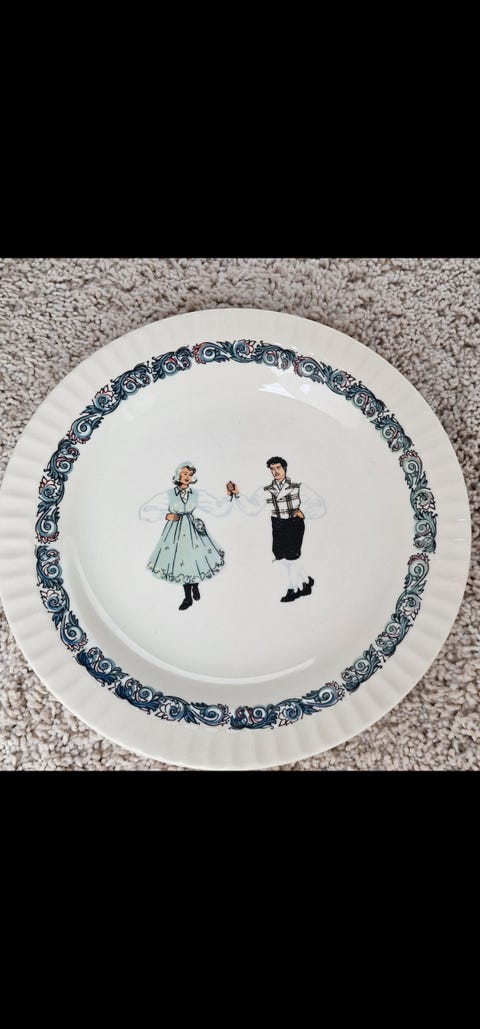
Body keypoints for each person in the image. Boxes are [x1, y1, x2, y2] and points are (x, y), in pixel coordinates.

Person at [226, 456, 326, 603]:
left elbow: (319, 505)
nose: (275, 471)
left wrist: (304, 513)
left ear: (284, 468)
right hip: (277, 524)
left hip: (294, 524)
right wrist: (237, 494)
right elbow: (251, 508)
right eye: (272, 469)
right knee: (281, 557)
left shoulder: (297, 487)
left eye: (278, 468)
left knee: (292, 558)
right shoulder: (266, 490)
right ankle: (306, 581)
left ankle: (293, 590)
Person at [140, 462, 233, 611]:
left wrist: (229, 496)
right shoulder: (169, 495)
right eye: (185, 474)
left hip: (192, 529)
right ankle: (187, 597)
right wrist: (166, 516)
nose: (188, 477)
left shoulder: (196, 494)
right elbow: (145, 511)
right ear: (178, 475)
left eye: (190, 474)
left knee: (196, 559)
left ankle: (195, 586)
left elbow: (216, 508)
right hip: (175, 532)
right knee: (181, 562)